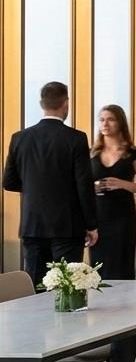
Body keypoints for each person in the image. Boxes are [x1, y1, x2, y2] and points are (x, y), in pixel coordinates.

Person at [2, 82, 98, 285]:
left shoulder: (19, 138)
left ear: (41, 104)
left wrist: (35, 189)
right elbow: (84, 185)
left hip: (32, 225)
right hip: (67, 226)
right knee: (67, 286)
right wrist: (91, 225)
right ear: (66, 103)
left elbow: (8, 182)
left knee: (35, 286)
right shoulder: (76, 138)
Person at [89, 105, 136, 280]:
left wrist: (123, 184)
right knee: (98, 268)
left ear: (120, 122)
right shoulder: (92, 153)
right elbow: (82, 185)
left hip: (123, 218)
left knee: (121, 267)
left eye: (111, 119)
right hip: (98, 218)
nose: (105, 123)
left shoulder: (134, 153)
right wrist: (92, 188)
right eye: (102, 120)